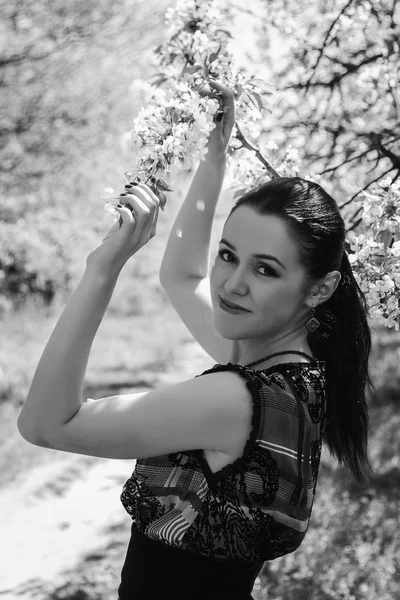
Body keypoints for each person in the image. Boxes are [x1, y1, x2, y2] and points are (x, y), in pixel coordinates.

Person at [17, 80, 373, 600]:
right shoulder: (294, 375)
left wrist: (102, 269)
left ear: (319, 288)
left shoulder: (232, 400)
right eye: (228, 254)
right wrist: (213, 159)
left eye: (266, 270)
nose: (232, 284)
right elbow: (183, 277)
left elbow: (45, 424)